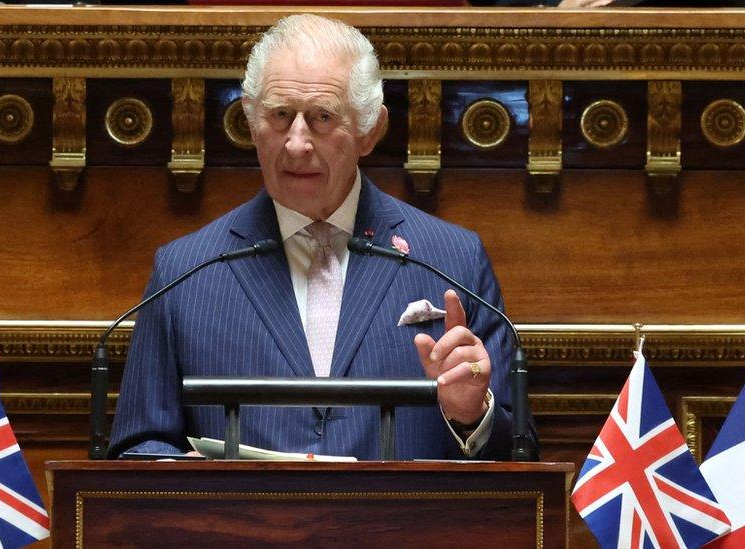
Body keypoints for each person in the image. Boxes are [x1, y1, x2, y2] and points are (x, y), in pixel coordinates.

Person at [109, 14, 532, 461]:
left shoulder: (453, 260)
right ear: (252, 124)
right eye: (279, 115)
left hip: (403, 529)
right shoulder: (185, 272)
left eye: (322, 117)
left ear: (371, 130)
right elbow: (137, 447)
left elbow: (520, 456)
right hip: (243, 529)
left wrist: (471, 414)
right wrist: (185, 481)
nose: (295, 143)